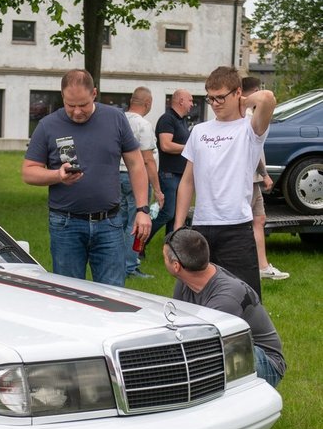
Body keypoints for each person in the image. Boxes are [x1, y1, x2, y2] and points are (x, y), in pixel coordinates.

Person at [22, 69, 151, 287]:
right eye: (70, 105)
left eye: (82, 104)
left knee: (113, 295)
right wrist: (57, 175)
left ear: (94, 93)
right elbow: (28, 171)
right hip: (66, 225)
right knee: (70, 296)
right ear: (62, 96)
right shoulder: (48, 126)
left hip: (109, 223)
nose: (76, 111)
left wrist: (142, 210)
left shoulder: (115, 118)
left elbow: (136, 164)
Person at [173, 67, 276, 297]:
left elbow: (268, 98)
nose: (215, 103)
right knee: (196, 298)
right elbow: (188, 181)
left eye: (221, 97)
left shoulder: (250, 128)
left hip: (236, 228)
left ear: (237, 92)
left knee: (244, 298)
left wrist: (244, 102)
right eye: (210, 98)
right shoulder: (199, 131)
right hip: (201, 226)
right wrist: (178, 226)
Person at [163, 227, 285, 387]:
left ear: (176, 266)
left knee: (207, 360)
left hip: (266, 361)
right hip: (224, 348)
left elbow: (204, 349)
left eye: (164, 257)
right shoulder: (185, 282)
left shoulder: (226, 298)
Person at [240, 76, 289, 281]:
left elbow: (256, 151)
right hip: (245, 180)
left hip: (253, 178)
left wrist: (263, 174)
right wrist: (265, 174)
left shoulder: (250, 115)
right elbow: (253, 151)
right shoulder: (247, 117)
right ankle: (243, 265)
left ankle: (262, 266)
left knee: (259, 219)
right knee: (245, 222)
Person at [118, 87, 164, 279]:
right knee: (136, 223)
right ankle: (130, 267)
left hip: (116, 176)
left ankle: (117, 263)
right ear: (148, 103)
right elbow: (147, 159)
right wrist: (158, 190)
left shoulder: (119, 120)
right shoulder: (143, 125)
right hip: (135, 178)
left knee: (118, 223)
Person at [148, 89, 195, 243]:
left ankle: (171, 247)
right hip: (169, 175)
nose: (192, 104)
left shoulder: (182, 120)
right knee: (167, 213)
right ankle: (140, 241)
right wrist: (190, 148)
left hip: (180, 175)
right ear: (181, 101)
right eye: (190, 100)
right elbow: (166, 145)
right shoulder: (167, 119)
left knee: (175, 215)